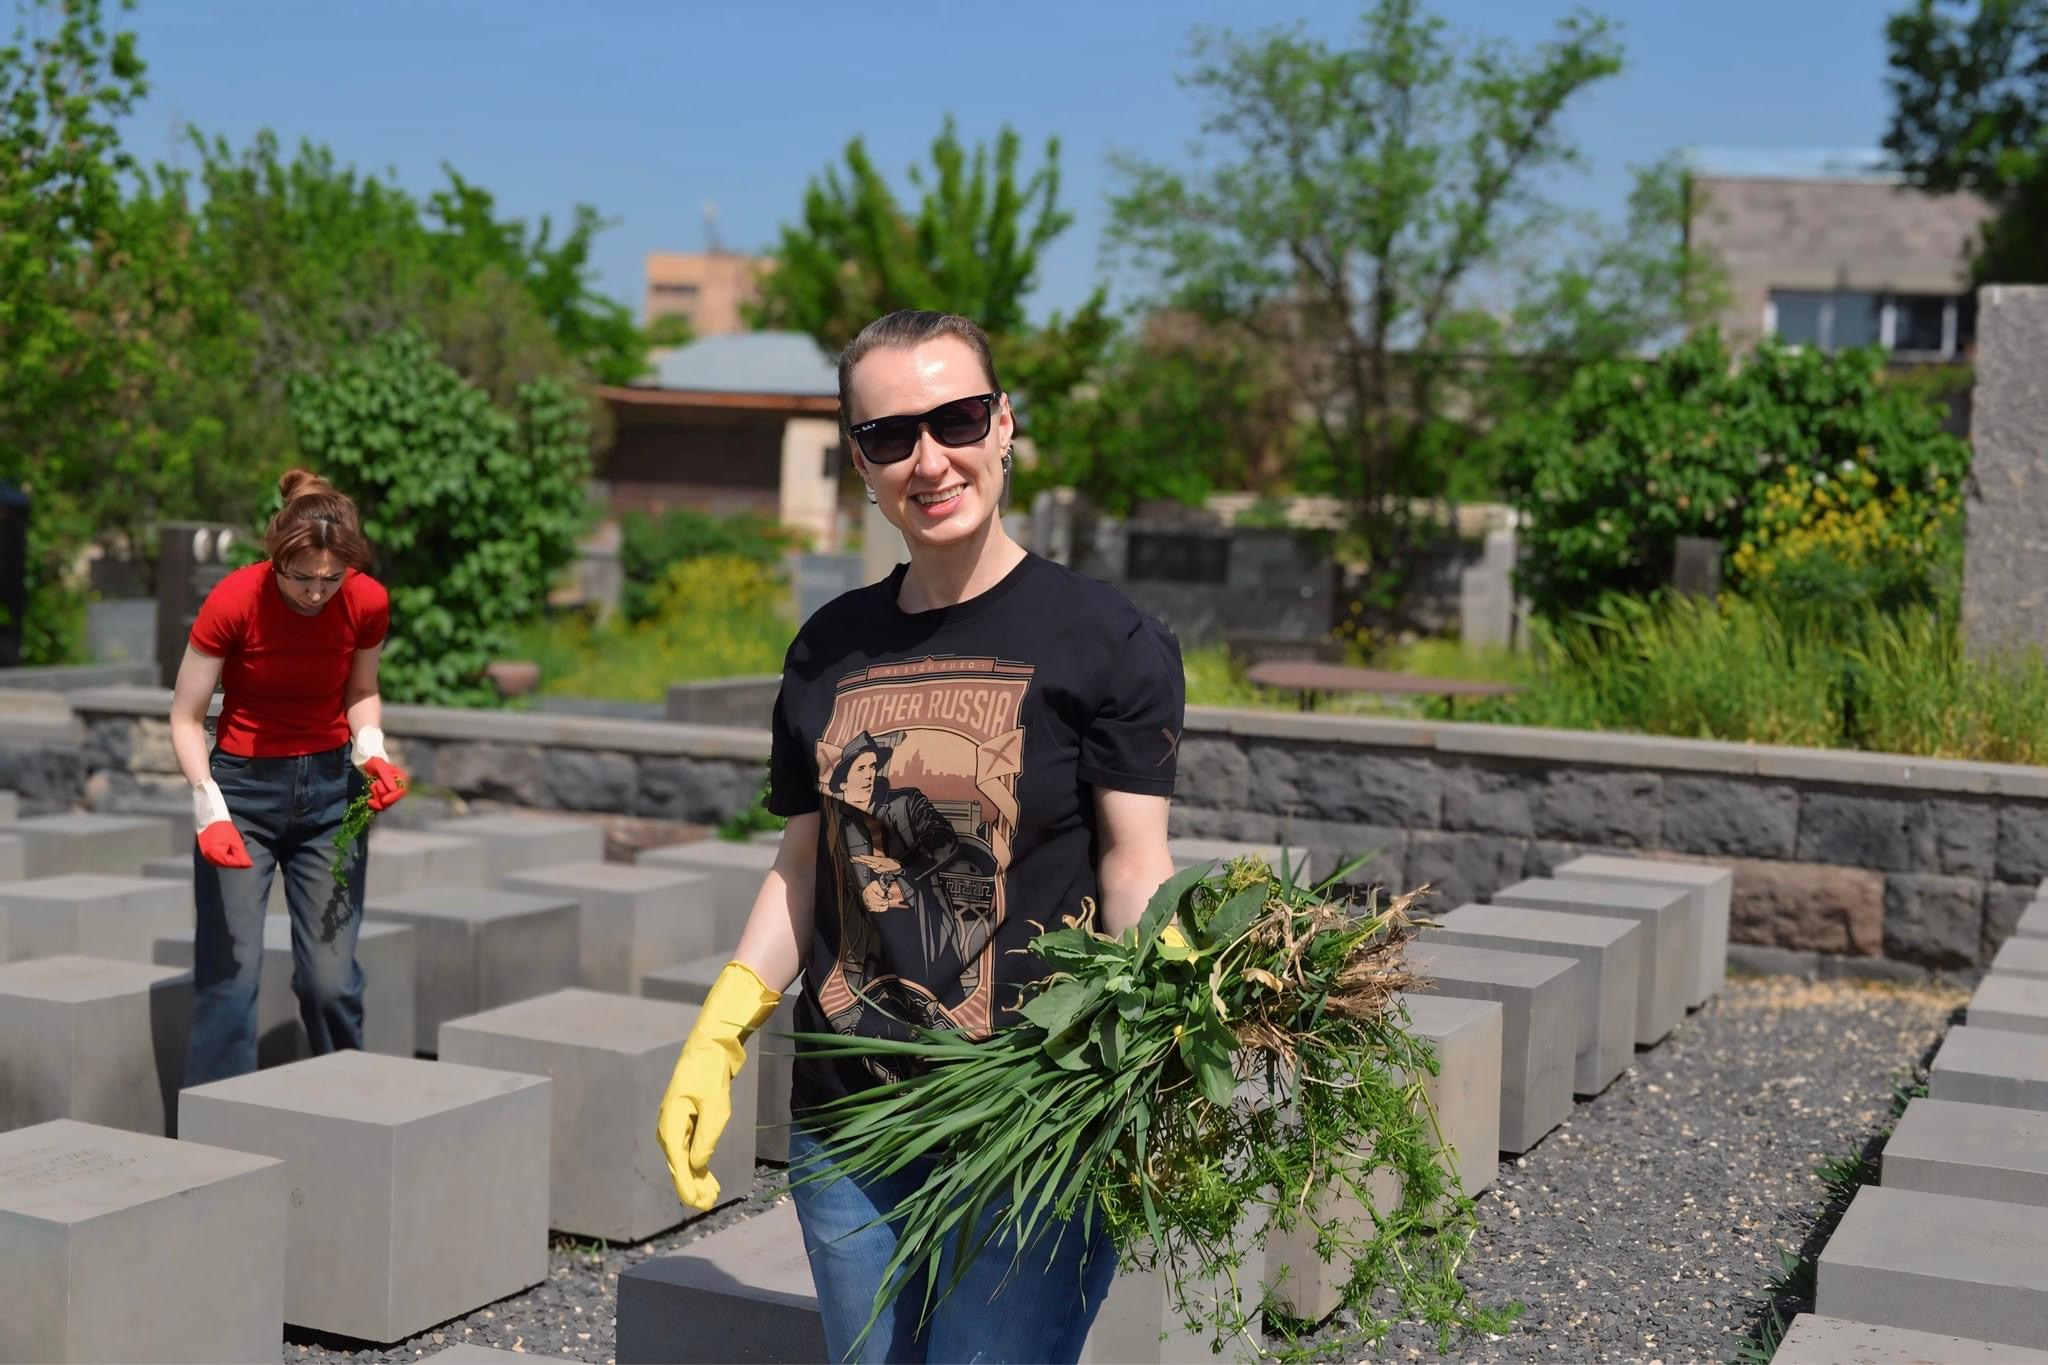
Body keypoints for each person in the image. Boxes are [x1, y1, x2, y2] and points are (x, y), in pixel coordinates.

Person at [657, 310, 1185, 1364]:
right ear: (859, 461)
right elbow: (802, 866)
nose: (930, 459)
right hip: (849, 1124)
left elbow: (1133, 863)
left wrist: (1166, 1025)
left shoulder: (1108, 640)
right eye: (890, 435)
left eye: (957, 419)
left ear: (1005, 424)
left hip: (1034, 1117)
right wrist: (722, 1028)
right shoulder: (827, 647)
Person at [168, 469, 409, 1085]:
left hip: (332, 800)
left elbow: (361, 690)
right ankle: (217, 1124)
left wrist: (372, 750)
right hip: (242, 797)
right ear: (276, 557)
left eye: (332, 578)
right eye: (301, 578)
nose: (316, 593)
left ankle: (342, 1102)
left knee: (332, 983)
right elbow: (186, 716)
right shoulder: (235, 599)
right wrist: (210, 810)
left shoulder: (367, 601)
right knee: (230, 979)